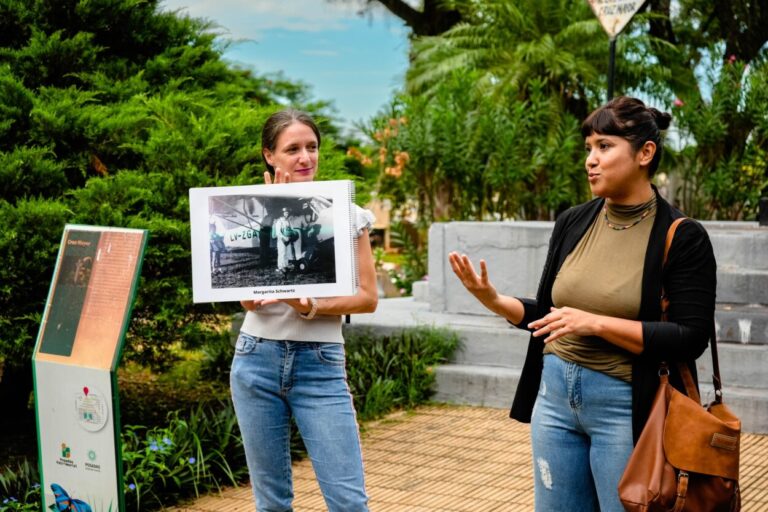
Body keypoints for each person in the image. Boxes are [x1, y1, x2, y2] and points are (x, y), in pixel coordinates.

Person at [449, 96, 716, 512]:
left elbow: (690, 337)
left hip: (627, 408)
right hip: (554, 401)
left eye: (605, 147)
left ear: (645, 153)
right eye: (588, 148)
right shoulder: (574, 221)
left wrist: (598, 324)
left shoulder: (682, 236)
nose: (591, 160)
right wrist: (495, 300)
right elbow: (550, 316)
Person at [231, 109, 378, 512]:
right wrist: (273, 213)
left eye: (311, 147)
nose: (305, 158)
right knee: (272, 503)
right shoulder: (252, 211)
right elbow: (247, 297)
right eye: (292, 149)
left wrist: (310, 304)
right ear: (269, 156)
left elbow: (368, 298)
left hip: (320, 364)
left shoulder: (348, 214)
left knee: (348, 502)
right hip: (255, 358)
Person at [273, 206, 303, 277]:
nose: (287, 214)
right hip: (282, 240)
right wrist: (284, 237)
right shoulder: (279, 221)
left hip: (288, 240)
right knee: (282, 253)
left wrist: (292, 235)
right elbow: (278, 233)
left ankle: (285, 267)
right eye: (285, 212)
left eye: (287, 213)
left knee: (288, 253)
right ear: (282, 213)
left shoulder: (288, 221)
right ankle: (280, 267)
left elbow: (291, 230)